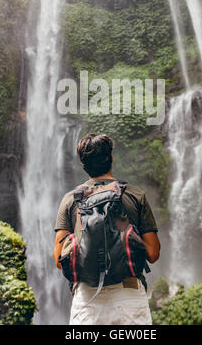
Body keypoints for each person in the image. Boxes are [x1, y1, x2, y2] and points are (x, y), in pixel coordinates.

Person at [54, 133, 160, 325]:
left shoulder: (71, 200)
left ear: (83, 164)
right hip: (129, 295)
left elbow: (59, 260)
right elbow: (152, 253)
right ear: (111, 158)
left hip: (87, 299)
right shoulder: (135, 195)